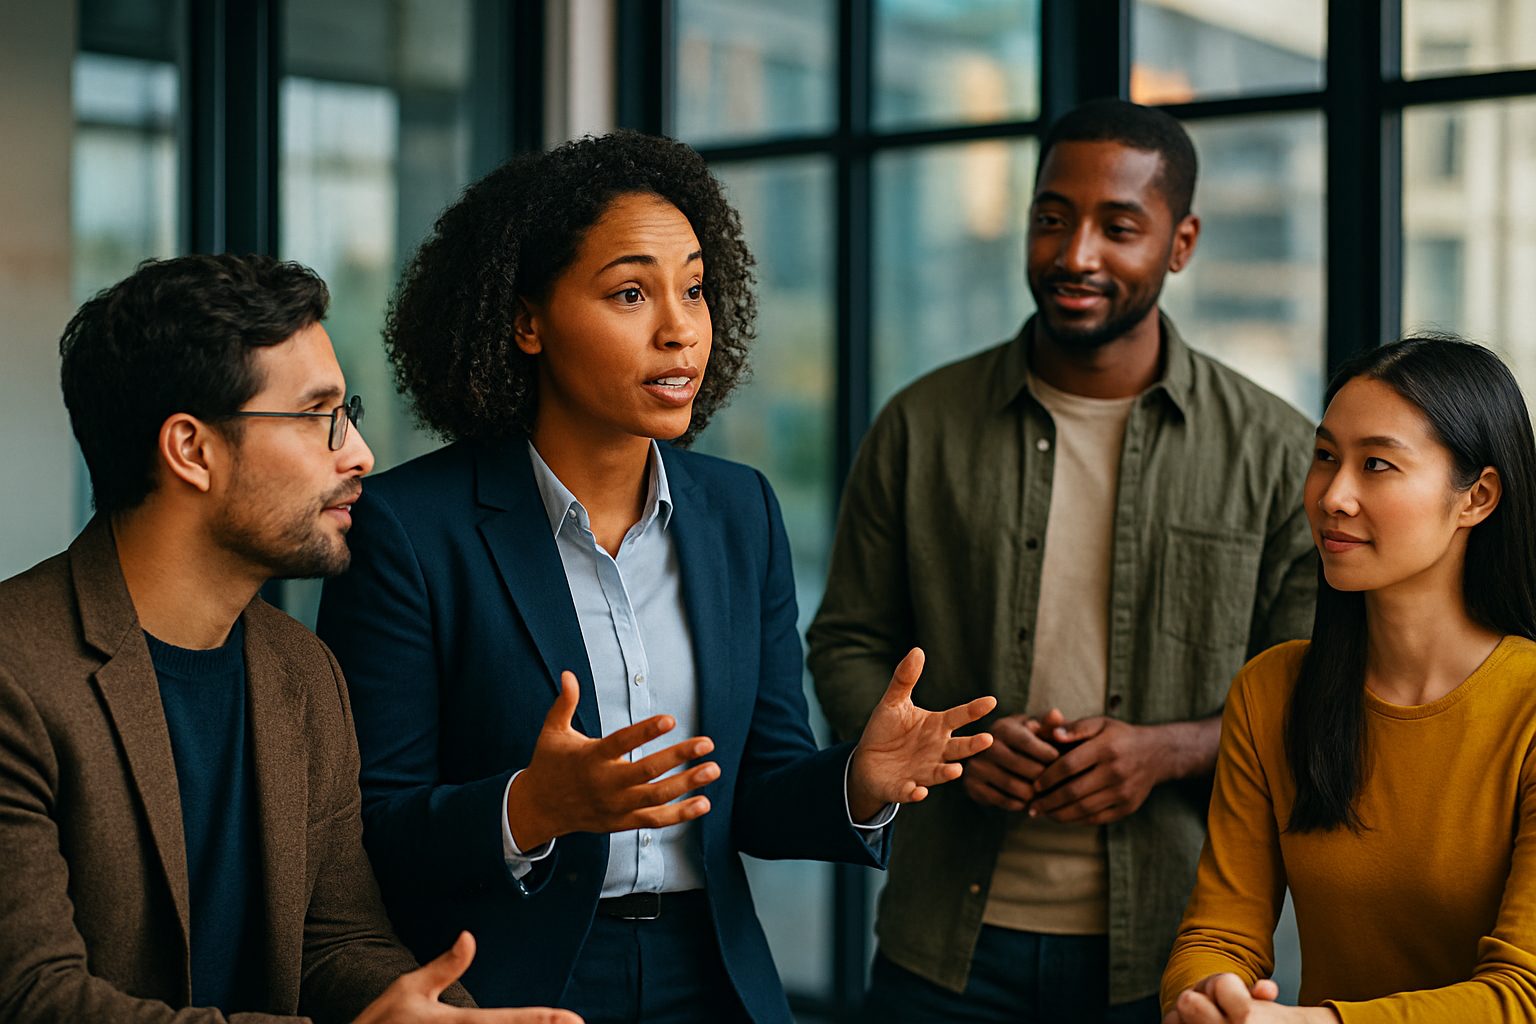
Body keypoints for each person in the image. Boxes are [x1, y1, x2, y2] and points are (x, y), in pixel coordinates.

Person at [313, 129, 996, 1024]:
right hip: (510, 984)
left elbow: (756, 791)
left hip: (712, 974)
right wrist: (532, 807)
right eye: (631, 293)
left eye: (696, 288)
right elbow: (369, 830)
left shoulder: (739, 511)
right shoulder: (408, 529)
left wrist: (857, 784)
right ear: (525, 321)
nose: (680, 329)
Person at [807, 98, 1319, 1022]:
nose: (1076, 254)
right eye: (1053, 217)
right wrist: (945, 749)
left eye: (1119, 227)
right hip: (941, 954)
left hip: (1174, 957)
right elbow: (845, 644)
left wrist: (1166, 753)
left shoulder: (1276, 453)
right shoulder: (922, 426)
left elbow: (1313, 692)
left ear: (1182, 242)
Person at [0, 253, 577, 1024]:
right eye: (317, 417)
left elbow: (336, 940)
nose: (361, 454)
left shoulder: (301, 669)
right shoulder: (17, 674)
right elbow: (35, 1000)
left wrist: (440, 1016)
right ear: (191, 450)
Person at [1161, 335, 1536, 1022]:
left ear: (1477, 498)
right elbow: (1219, 932)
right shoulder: (1272, 690)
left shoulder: (1527, 706)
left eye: (1377, 465)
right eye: (1326, 457)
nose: (1334, 495)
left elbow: (1523, 995)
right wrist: (1211, 997)